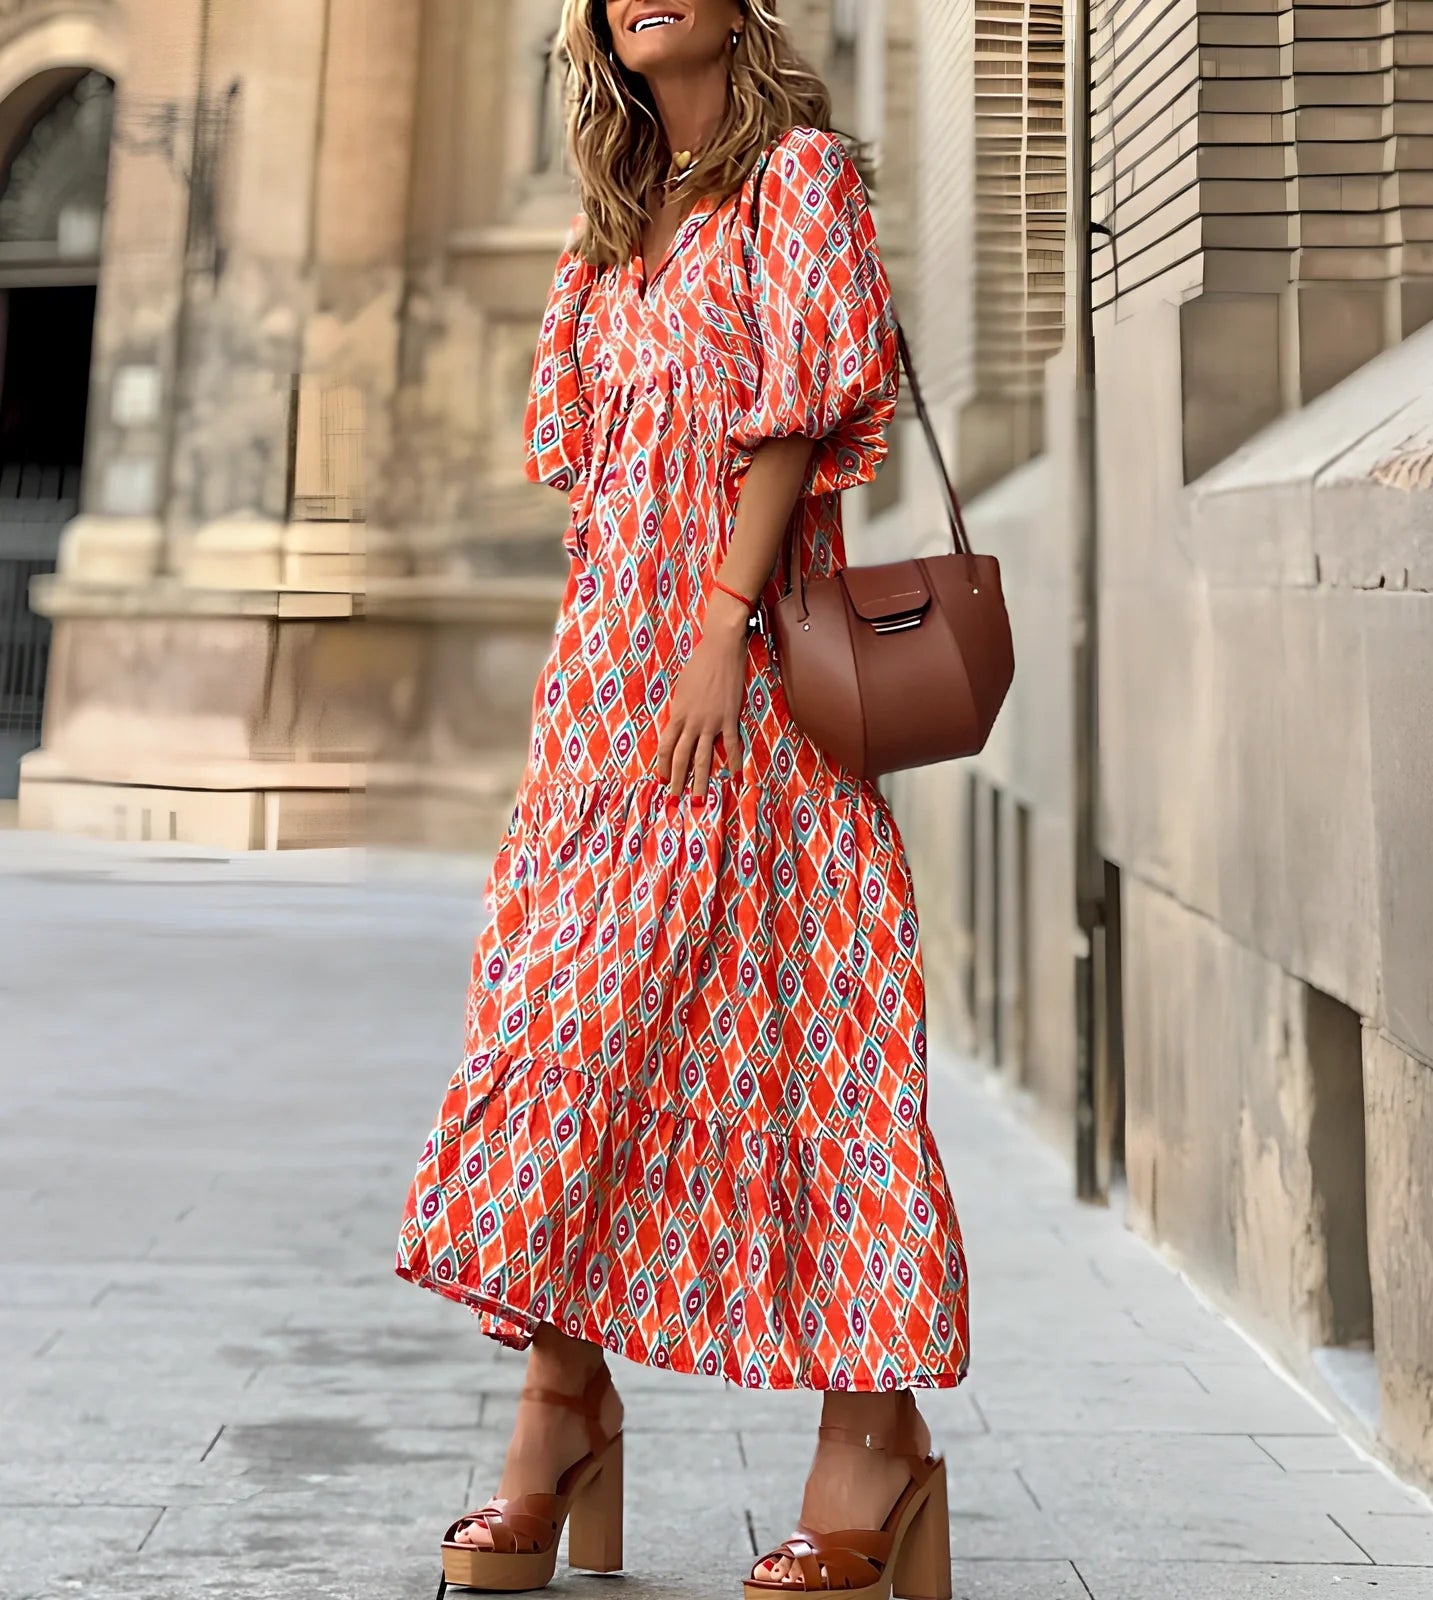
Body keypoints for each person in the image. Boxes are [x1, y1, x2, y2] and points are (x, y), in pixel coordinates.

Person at [395, 2, 969, 1593]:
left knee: (811, 1034)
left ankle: (875, 1439)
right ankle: (560, 1396)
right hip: (603, 699)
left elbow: (789, 416)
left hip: (754, 681)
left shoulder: (800, 181)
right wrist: (631, 660)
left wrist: (717, 626)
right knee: (564, 1031)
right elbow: (597, 477)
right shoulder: (603, 231)